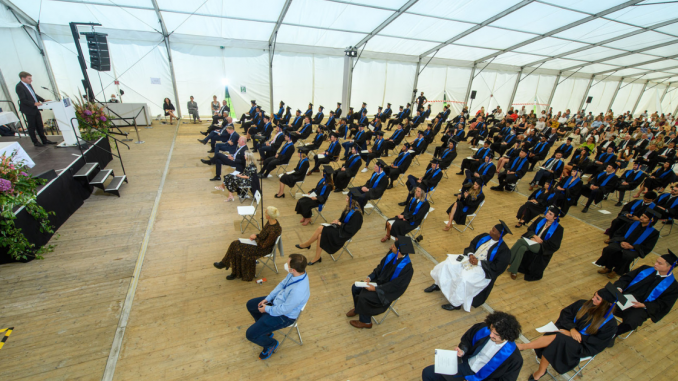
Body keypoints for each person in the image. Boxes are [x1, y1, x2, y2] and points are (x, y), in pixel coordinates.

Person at [516, 288, 618, 380]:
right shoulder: (582, 304)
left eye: (598, 299)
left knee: (558, 339)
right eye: (594, 295)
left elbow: (598, 343)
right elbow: (566, 314)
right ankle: (538, 366)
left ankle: (532, 358)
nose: (593, 299)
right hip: (567, 331)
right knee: (558, 337)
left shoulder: (610, 324)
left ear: (606, 304)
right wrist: (572, 329)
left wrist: (572, 334)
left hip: (582, 344)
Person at [426, 221, 512, 311]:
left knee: (464, 279)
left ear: (499, 235)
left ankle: (456, 303)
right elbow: (472, 244)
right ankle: (438, 284)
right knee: (447, 264)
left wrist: (478, 262)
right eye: (492, 229)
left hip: (482, 269)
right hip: (469, 259)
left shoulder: (504, 250)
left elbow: (498, 267)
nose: (490, 231)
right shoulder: (484, 236)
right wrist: (471, 255)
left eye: (493, 231)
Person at [421, 311, 523, 381]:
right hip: (465, 365)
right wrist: (463, 350)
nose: (491, 334)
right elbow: (467, 340)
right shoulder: (483, 329)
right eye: (491, 330)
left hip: (483, 378)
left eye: (496, 334)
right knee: (428, 373)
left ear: (507, 336)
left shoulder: (514, 359)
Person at [244, 253, 309, 360]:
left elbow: (284, 309)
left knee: (250, 334)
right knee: (251, 305)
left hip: (284, 316)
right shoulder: (296, 274)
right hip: (278, 302)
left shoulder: (298, 291)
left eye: (287, 264)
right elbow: (282, 285)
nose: (286, 265)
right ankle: (266, 331)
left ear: (293, 269)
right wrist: (267, 299)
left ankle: (270, 344)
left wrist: (266, 309)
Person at [347, 237, 415, 329]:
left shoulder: (407, 269)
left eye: (394, 246)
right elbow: (379, 268)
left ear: (399, 251)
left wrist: (375, 289)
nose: (391, 247)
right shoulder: (391, 254)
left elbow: (395, 286)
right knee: (355, 287)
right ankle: (358, 309)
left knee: (364, 296)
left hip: (387, 292)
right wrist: (369, 278)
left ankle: (366, 322)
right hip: (378, 283)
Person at [611, 251, 678, 340]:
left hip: (640, 308)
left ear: (670, 267)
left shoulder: (673, 286)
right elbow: (626, 278)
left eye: (659, 263)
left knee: (633, 321)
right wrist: (619, 288)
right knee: (603, 293)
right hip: (624, 297)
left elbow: (663, 304)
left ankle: (612, 334)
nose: (655, 264)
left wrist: (643, 305)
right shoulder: (644, 269)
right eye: (656, 261)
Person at [214, 206, 282, 281]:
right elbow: (263, 235)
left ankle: (232, 270)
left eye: (265, 212)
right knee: (235, 243)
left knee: (239, 249)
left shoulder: (274, 230)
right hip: (258, 243)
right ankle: (226, 264)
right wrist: (256, 235)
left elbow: (264, 245)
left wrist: (255, 238)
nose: (264, 213)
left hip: (262, 249)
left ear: (269, 216)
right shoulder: (270, 222)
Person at [295, 194, 364, 265]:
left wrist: (340, 224)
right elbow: (342, 219)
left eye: (347, 198)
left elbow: (352, 229)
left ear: (353, 201)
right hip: (339, 229)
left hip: (343, 234)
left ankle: (307, 244)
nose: (346, 199)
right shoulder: (349, 208)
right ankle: (317, 257)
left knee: (321, 228)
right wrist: (337, 221)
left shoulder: (357, 215)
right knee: (320, 236)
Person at [594, 209, 660, 279]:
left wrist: (632, 247)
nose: (641, 218)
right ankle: (608, 267)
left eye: (645, 217)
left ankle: (616, 271)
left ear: (651, 220)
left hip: (634, 248)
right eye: (642, 216)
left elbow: (648, 246)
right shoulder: (632, 223)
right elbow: (619, 232)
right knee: (610, 249)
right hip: (621, 242)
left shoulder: (654, 233)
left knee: (628, 256)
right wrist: (622, 241)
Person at [507, 206, 564, 281]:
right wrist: (534, 236)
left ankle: (507, 260)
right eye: (547, 212)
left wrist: (539, 241)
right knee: (522, 248)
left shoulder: (558, 229)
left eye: (550, 214)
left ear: (555, 217)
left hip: (542, 247)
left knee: (520, 241)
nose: (547, 214)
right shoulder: (540, 220)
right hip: (531, 241)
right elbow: (530, 229)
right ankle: (514, 270)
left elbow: (554, 244)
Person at [15, 71, 55, 146]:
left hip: (35, 108)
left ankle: (44, 140)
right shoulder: (19, 87)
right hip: (29, 109)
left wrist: (43, 100)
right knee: (32, 126)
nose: (31, 80)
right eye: (29, 78)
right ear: (22, 78)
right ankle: (35, 142)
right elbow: (23, 100)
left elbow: (33, 95)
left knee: (39, 125)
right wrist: (33, 103)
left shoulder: (29, 85)